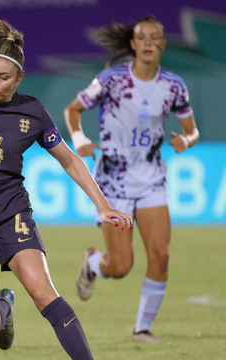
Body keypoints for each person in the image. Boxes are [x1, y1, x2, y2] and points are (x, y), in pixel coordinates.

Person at [0, 3, 133, 359]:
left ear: (19, 77)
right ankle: (4, 306)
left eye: (3, 77)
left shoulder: (33, 112)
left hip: (11, 211)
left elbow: (69, 160)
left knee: (43, 292)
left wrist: (102, 206)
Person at [64, 15, 199, 343]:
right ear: (134, 44)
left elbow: (191, 129)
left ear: (163, 44)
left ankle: (142, 329)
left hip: (152, 179)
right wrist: (79, 138)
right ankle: (94, 262)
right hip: (113, 182)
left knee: (161, 255)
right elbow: (72, 110)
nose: (149, 42)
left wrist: (188, 140)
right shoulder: (111, 79)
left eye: (156, 38)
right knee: (121, 266)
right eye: (143, 37)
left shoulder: (174, 85)